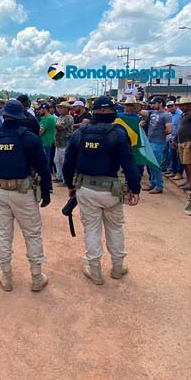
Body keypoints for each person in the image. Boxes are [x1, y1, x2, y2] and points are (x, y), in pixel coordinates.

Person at [62, 96, 141, 285]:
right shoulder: (119, 133)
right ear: (108, 111)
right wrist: (135, 188)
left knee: (91, 230)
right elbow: (129, 163)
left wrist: (70, 185)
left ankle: (95, 270)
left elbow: (68, 162)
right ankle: (117, 267)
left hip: (85, 189)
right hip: (111, 191)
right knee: (115, 228)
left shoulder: (79, 133)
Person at [0, 100, 52, 292]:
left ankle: (6, 276)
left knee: (4, 235)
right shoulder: (30, 138)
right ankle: (36, 277)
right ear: (21, 115)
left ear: (3, 115)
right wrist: (46, 192)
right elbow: (43, 168)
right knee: (32, 234)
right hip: (25, 193)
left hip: (0, 192)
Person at [142, 97, 172, 194]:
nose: (152, 105)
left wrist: (160, 133)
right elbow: (141, 111)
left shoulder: (166, 115)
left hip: (158, 142)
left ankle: (159, 186)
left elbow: (169, 130)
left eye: (154, 103)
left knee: (155, 165)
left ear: (160, 103)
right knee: (151, 164)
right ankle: (153, 183)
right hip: (150, 141)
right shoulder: (152, 113)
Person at [175, 98, 191, 190]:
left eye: (184, 105)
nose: (182, 107)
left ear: (189, 105)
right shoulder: (183, 115)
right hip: (181, 141)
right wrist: (175, 139)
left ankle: (190, 182)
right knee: (184, 162)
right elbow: (180, 128)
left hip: (188, 141)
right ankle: (188, 181)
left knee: (188, 162)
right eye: (181, 105)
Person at [53, 102, 74, 183]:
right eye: (59, 108)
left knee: (64, 162)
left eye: (62, 108)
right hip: (59, 143)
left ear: (66, 109)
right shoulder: (60, 117)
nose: (60, 109)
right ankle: (59, 177)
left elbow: (61, 127)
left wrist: (53, 123)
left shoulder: (69, 118)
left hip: (65, 142)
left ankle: (66, 180)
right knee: (57, 161)